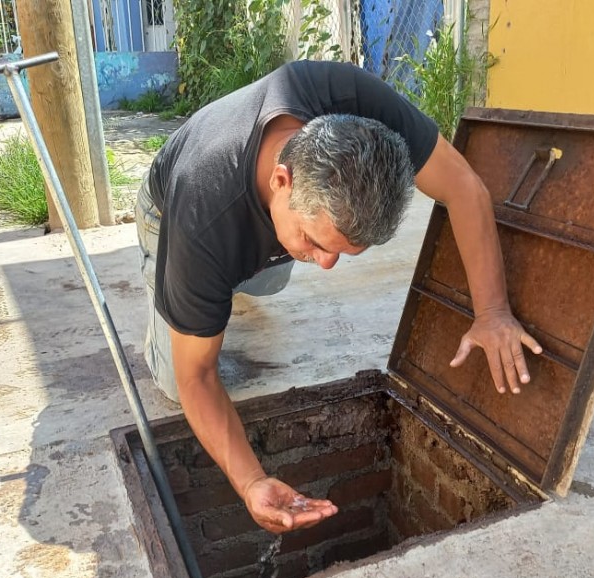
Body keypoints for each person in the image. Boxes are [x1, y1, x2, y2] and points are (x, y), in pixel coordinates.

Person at [135, 60, 542, 535]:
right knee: (174, 377)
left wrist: (492, 311)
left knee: (269, 280)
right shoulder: (202, 220)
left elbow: (465, 188)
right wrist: (250, 481)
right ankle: (195, 298)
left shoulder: (353, 103)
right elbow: (197, 376)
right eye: (316, 242)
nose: (326, 265)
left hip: (254, 224)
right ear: (282, 181)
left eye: (346, 252)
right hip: (166, 210)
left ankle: (232, 287)